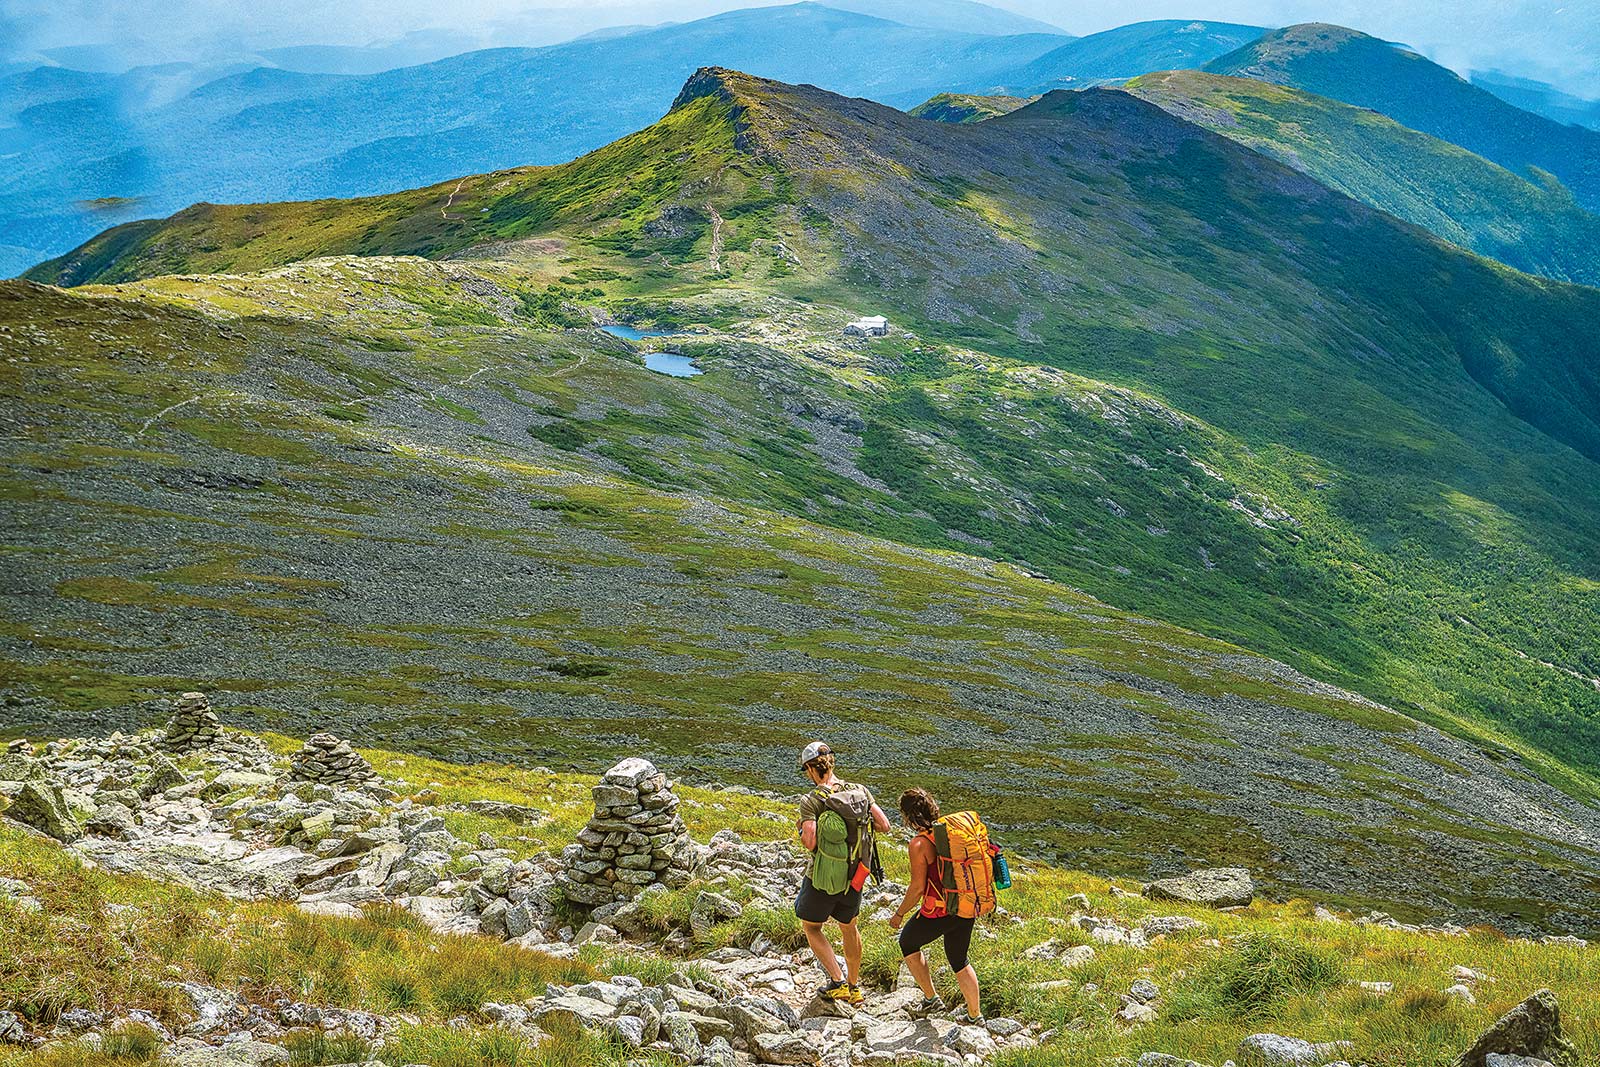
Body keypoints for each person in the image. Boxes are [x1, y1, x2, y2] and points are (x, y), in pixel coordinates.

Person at [794, 741, 891, 1004]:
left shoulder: (811, 800)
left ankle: (837, 981)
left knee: (811, 926)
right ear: (832, 763)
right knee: (849, 927)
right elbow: (884, 825)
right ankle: (854, 986)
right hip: (855, 873)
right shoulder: (860, 791)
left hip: (822, 876)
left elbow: (810, 842)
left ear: (811, 770)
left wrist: (802, 829)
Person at [889, 787, 982, 1024]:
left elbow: (917, 888)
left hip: (939, 911)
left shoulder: (919, 844)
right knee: (959, 960)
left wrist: (899, 914)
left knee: (908, 942)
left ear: (909, 817)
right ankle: (975, 1016)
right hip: (964, 905)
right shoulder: (950, 832)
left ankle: (931, 999)